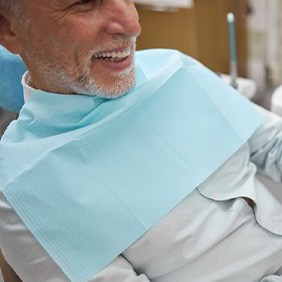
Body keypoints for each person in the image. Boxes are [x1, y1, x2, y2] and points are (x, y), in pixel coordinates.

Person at [0, 0, 281, 281]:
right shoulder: (25, 183)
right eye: (85, 3)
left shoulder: (172, 66)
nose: (133, 25)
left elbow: (272, 142)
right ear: (8, 27)